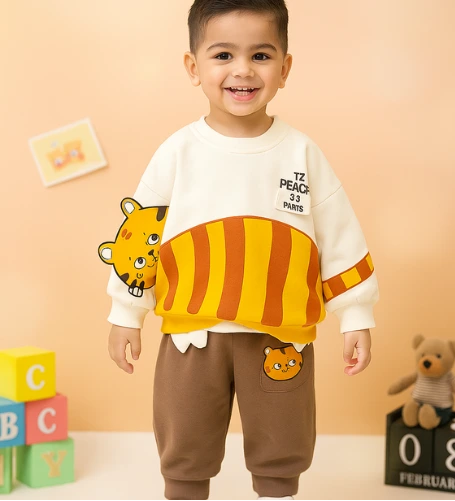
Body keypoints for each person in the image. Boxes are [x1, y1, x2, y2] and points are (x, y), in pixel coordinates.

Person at [100, 0, 379, 499]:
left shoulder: (302, 153)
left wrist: (355, 314)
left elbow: (339, 236)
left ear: (285, 68)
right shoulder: (177, 153)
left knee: (283, 439)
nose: (243, 70)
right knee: (185, 439)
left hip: (280, 335)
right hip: (192, 333)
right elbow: (138, 235)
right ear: (194, 67)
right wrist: (126, 312)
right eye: (223, 55)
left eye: (261, 55)